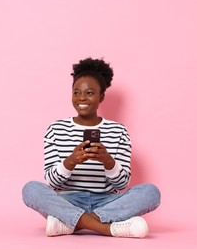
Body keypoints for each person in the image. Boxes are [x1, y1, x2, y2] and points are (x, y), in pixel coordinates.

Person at [22, 57, 161, 238]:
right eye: (76, 92)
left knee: (151, 192)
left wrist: (108, 161)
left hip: (107, 201)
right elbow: (52, 182)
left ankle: (70, 224)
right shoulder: (55, 129)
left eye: (89, 93)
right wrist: (70, 162)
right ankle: (106, 228)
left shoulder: (118, 131)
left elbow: (122, 184)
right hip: (68, 201)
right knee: (31, 189)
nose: (82, 98)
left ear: (101, 96)